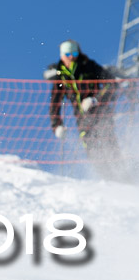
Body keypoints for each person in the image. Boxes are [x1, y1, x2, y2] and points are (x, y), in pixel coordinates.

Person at [47, 40, 124, 180]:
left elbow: (111, 83)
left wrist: (96, 99)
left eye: (74, 53)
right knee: (92, 149)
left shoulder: (89, 66)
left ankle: (123, 174)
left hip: (101, 113)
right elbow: (55, 103)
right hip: (83, 119)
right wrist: (57, 125)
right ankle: (107, 179)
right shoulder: (61, 76)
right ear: (62, 56)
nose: (71, 57)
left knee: (109, 143)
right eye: (68, 54)